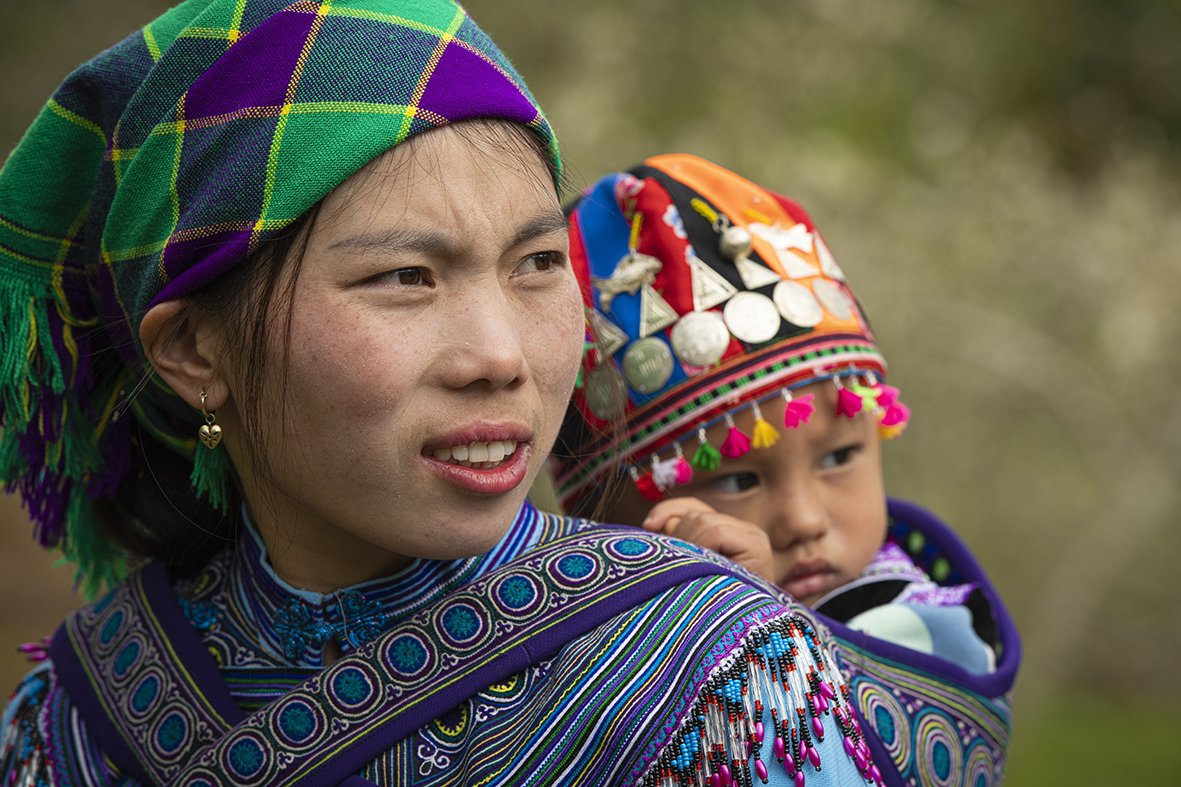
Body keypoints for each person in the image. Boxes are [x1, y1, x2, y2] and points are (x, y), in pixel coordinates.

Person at [0, 2, 877, 786]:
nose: (501, 357)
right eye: (406, 277)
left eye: (537, 264)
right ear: (194, 349)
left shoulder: (711, 676)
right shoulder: (84, 720)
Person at [552, 154, 1022, 786]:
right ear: (598, 518)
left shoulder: (930, 624)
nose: (803, 520)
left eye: (839, 457)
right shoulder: (555, 652)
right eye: (736, 479)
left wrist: (740, 622)